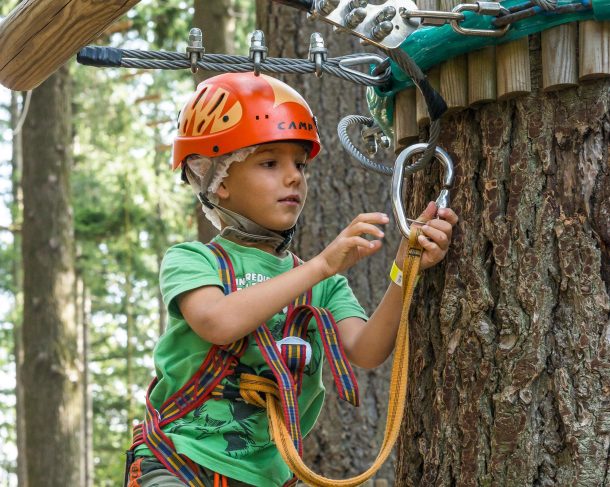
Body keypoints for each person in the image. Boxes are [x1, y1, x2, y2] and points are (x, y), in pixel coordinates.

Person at [126, 72, 458, 487]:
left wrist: (403, 267)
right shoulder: (193, 261)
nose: (294, 177)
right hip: (180, 462)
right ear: (218, 178)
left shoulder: (325, 285)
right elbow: (218, 322)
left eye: (299, 164)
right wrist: (320, 265)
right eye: (270, 163)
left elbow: (367, 350)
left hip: (269, 477)